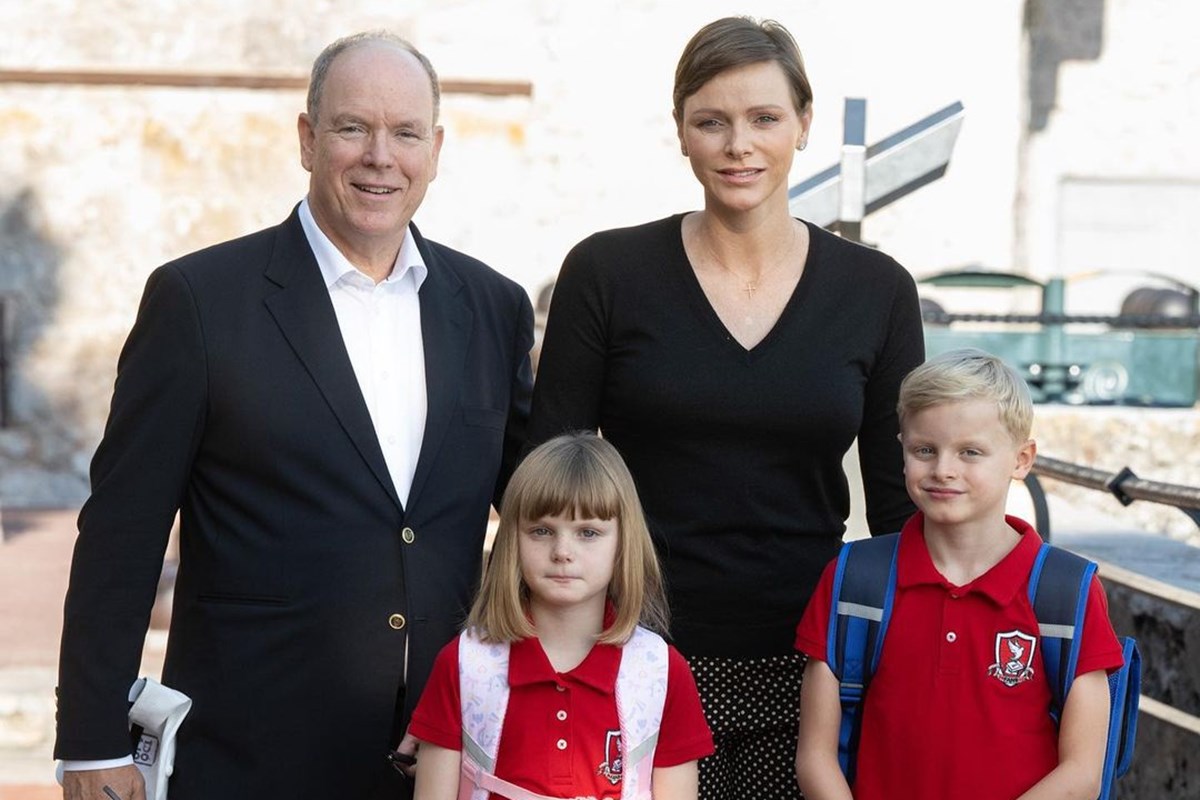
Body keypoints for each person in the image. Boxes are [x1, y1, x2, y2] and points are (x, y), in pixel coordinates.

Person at [54, 31, 533, 800]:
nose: (382, 156)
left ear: (435, 149)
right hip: (251, 756)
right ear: (308, 139)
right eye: (353, 127)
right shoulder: (199, 303)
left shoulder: (492, 308)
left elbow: (538, 508)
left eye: (405, 133)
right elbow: (122, 533)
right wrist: (89, 742)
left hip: (445, 759)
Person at [527, 16, 923, 800]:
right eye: (712, 121)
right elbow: (548, 484)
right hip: (631, 656)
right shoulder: (606, 273)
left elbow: (900, 509)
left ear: (804, 124)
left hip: (814, 668)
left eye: (765, 119)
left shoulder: (876, 291)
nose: (739, 145)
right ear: (681, 132)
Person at [794, 348, 1125, 800]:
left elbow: (1083, 773)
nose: (943, 470)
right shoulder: (854, 580)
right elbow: (815, 757)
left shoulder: (1067, 591)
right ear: (903, 450)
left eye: (970, 452)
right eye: (924, 450)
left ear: (1021, 459)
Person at [409, 433, 714, 800]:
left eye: (588, 532)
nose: (562, 551)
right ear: (512, 541)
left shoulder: (662, 672)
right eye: (541, 531)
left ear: (623, 543)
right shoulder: (464, 664)